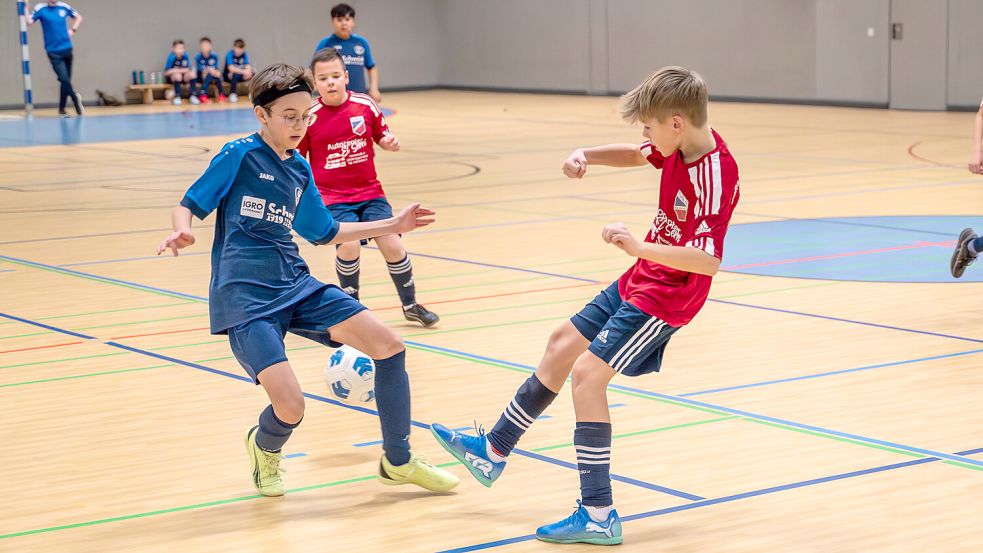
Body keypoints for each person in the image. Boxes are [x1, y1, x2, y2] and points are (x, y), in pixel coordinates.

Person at [430, 66, 740, 545]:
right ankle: (493, 452)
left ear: (676, 123)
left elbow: (707, 260)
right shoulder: (678, 142)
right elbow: (639, 155)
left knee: (587, 377)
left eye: (649, 126)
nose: (644, 136)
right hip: (644, 275)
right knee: (560, 346)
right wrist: (586, 155)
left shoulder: (715, 172)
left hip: (668, 295)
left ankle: (598, 513)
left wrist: (640, 248)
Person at [155, 62, 457, 497]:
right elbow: (188, 203)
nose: (299, 126)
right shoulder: (238, 155)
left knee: (390, 346)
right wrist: (181, 228)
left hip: (295, 284)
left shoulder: (298, 168)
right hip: (244, 298)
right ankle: (264, 447)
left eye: (305, 116)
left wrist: (394, 224)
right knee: (291, 407)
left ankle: (398, 460)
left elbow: (327, 232)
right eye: (289, 117)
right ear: (262, 115)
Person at [299, 48, 439, 327]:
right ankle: (353, 309)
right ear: (314, 83)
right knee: (349, 245)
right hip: (332, 198)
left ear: (346, 77)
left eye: (336, 76)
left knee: (392, 243)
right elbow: (298, 158)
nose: (330, 82)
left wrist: (388, 142)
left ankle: (410, 304)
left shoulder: (365, 105)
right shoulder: (310, 116)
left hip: (370, 193)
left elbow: (381, 133)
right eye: (323, 78)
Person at [312, 3, 380, 102]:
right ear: (333, 22)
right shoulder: (326, 43)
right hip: (334, 96)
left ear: (353, 22)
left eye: (347, 19)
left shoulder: (362, 42)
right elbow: (313, 68)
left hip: (359, 94)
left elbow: (371, 67)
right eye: (339, 20)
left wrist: (374, 88)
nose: (344, 23)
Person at [27, 0, 84, 116]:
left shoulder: (64, 6)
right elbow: (29, 21)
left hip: (67, 49)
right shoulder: (40, 9)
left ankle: (61, 109)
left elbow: (78, 17)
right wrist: (25, 7)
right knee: (64, 79)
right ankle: (75, 99)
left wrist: (73, 30)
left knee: (65, 81)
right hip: (53, 52)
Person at [164, 39, 197, 106]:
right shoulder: (171, 57)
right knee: (177, 75)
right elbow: (166, 72)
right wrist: (177, 71)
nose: (180, 50)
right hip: (174, 79)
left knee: (192, 74)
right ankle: (177, 97)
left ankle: (193, 96)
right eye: (178, 48)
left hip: (184, 78)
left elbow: (189, 69)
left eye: (182, 48)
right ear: (173, 49)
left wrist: (177, 70)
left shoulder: (185, 56)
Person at [194, 37, 225, 103]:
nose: (204, 47)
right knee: (209, 74)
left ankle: (221, 94)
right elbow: (200, 69)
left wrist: (215, 72)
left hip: (212, 75)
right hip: (200, 76)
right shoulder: (198, 56)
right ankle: (203, 94)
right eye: (203, 45)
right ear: (200, 47)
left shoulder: (214, 56)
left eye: (206, 45)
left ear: (210, 46)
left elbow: (216, 68)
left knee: (217, 76)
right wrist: (210, 71)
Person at [224, 38, 253, 103]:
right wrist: (244, 72)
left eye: (241, 49)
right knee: (235, 74)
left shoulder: (244, 54)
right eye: (238, 48)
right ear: (234, 47)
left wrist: (248, 72)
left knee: (252, 74)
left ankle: (252, 93)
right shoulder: (230, 54)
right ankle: (233, 94)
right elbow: (231, 68)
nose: (240, 50)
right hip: (229, 76)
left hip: (240, 75)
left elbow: (248, 66)